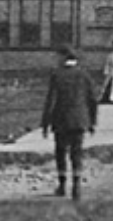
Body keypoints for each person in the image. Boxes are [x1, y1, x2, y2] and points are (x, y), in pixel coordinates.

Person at [41, 45, 98, 201]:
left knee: (60, 153)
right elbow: (92, 100)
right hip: (80, 121)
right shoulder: (84, 75)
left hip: (61, 121)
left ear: (63, 57)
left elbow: (50, 101)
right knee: (76, 154)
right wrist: (92, 122)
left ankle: (62, 185)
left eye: (57, 57)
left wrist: (45, 123)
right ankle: (77, 187)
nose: (56, 60)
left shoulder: (57, 75)